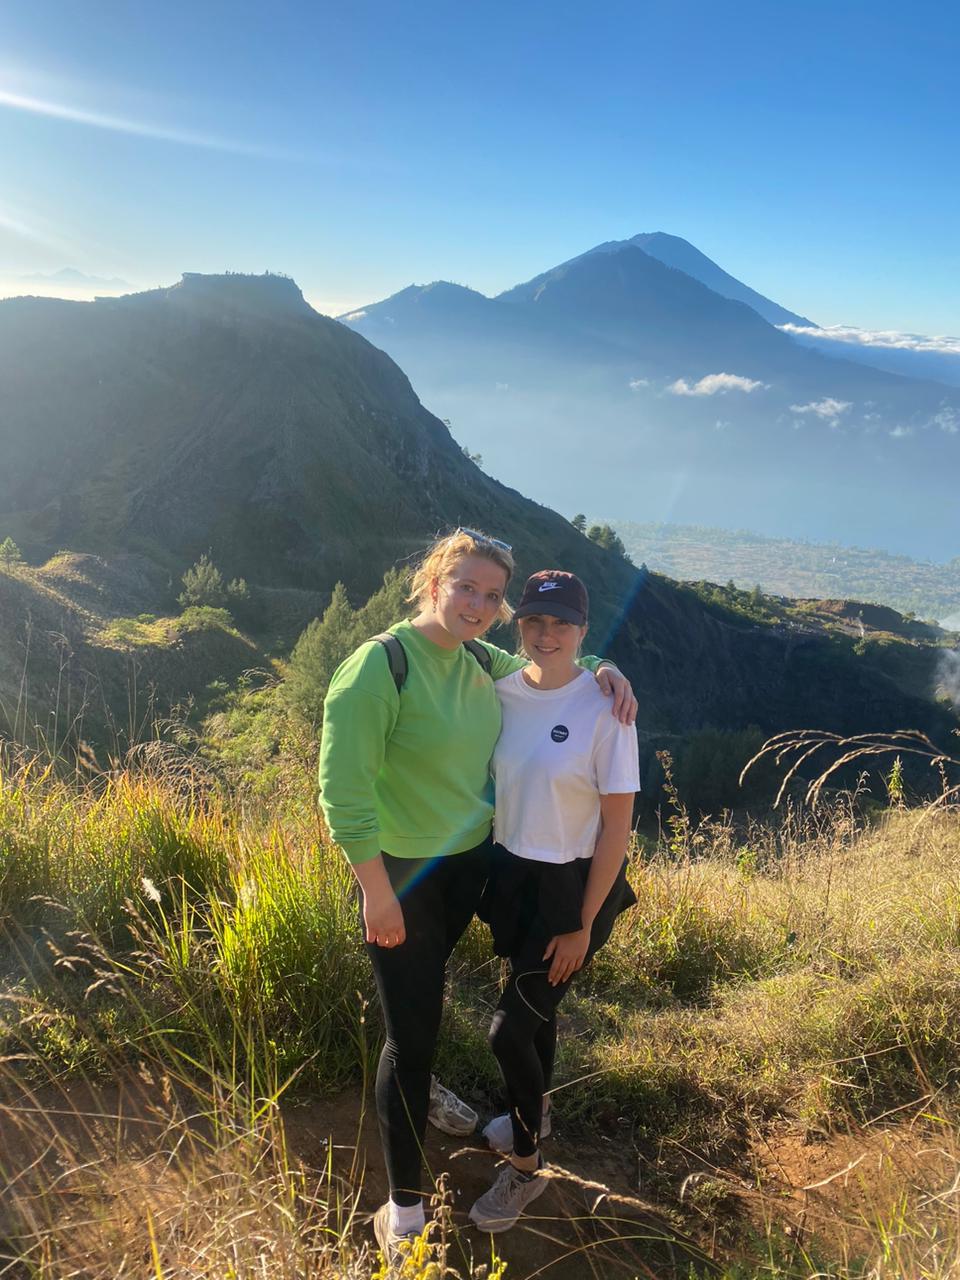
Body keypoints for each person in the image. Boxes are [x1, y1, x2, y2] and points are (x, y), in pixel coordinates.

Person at [317, 530, 637, 1264]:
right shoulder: (380, 665)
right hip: (400, 878)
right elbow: (341, 794)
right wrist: (375, 893)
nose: (480, 604)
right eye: (467, 587)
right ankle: (402, 1211)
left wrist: (606, 666)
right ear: (433, 582)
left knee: (439, 1009)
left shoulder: (477, 659)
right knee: (411, 1033)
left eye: (493, 596)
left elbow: (552, 665)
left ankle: (442, 1099)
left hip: (470, 870)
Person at [469, 569, 640, 1234]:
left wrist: (581, 925)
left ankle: (525, 1168)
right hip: (513, 874)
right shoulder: (501, 693)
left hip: (574, 887)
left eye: (561, 624)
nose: (546, 635)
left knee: (509, 1028)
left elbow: (618, 828)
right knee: (535, 1016)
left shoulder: (608, 711)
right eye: (535, 622)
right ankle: (532, 1112)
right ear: (521, 627)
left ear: (582, 631)